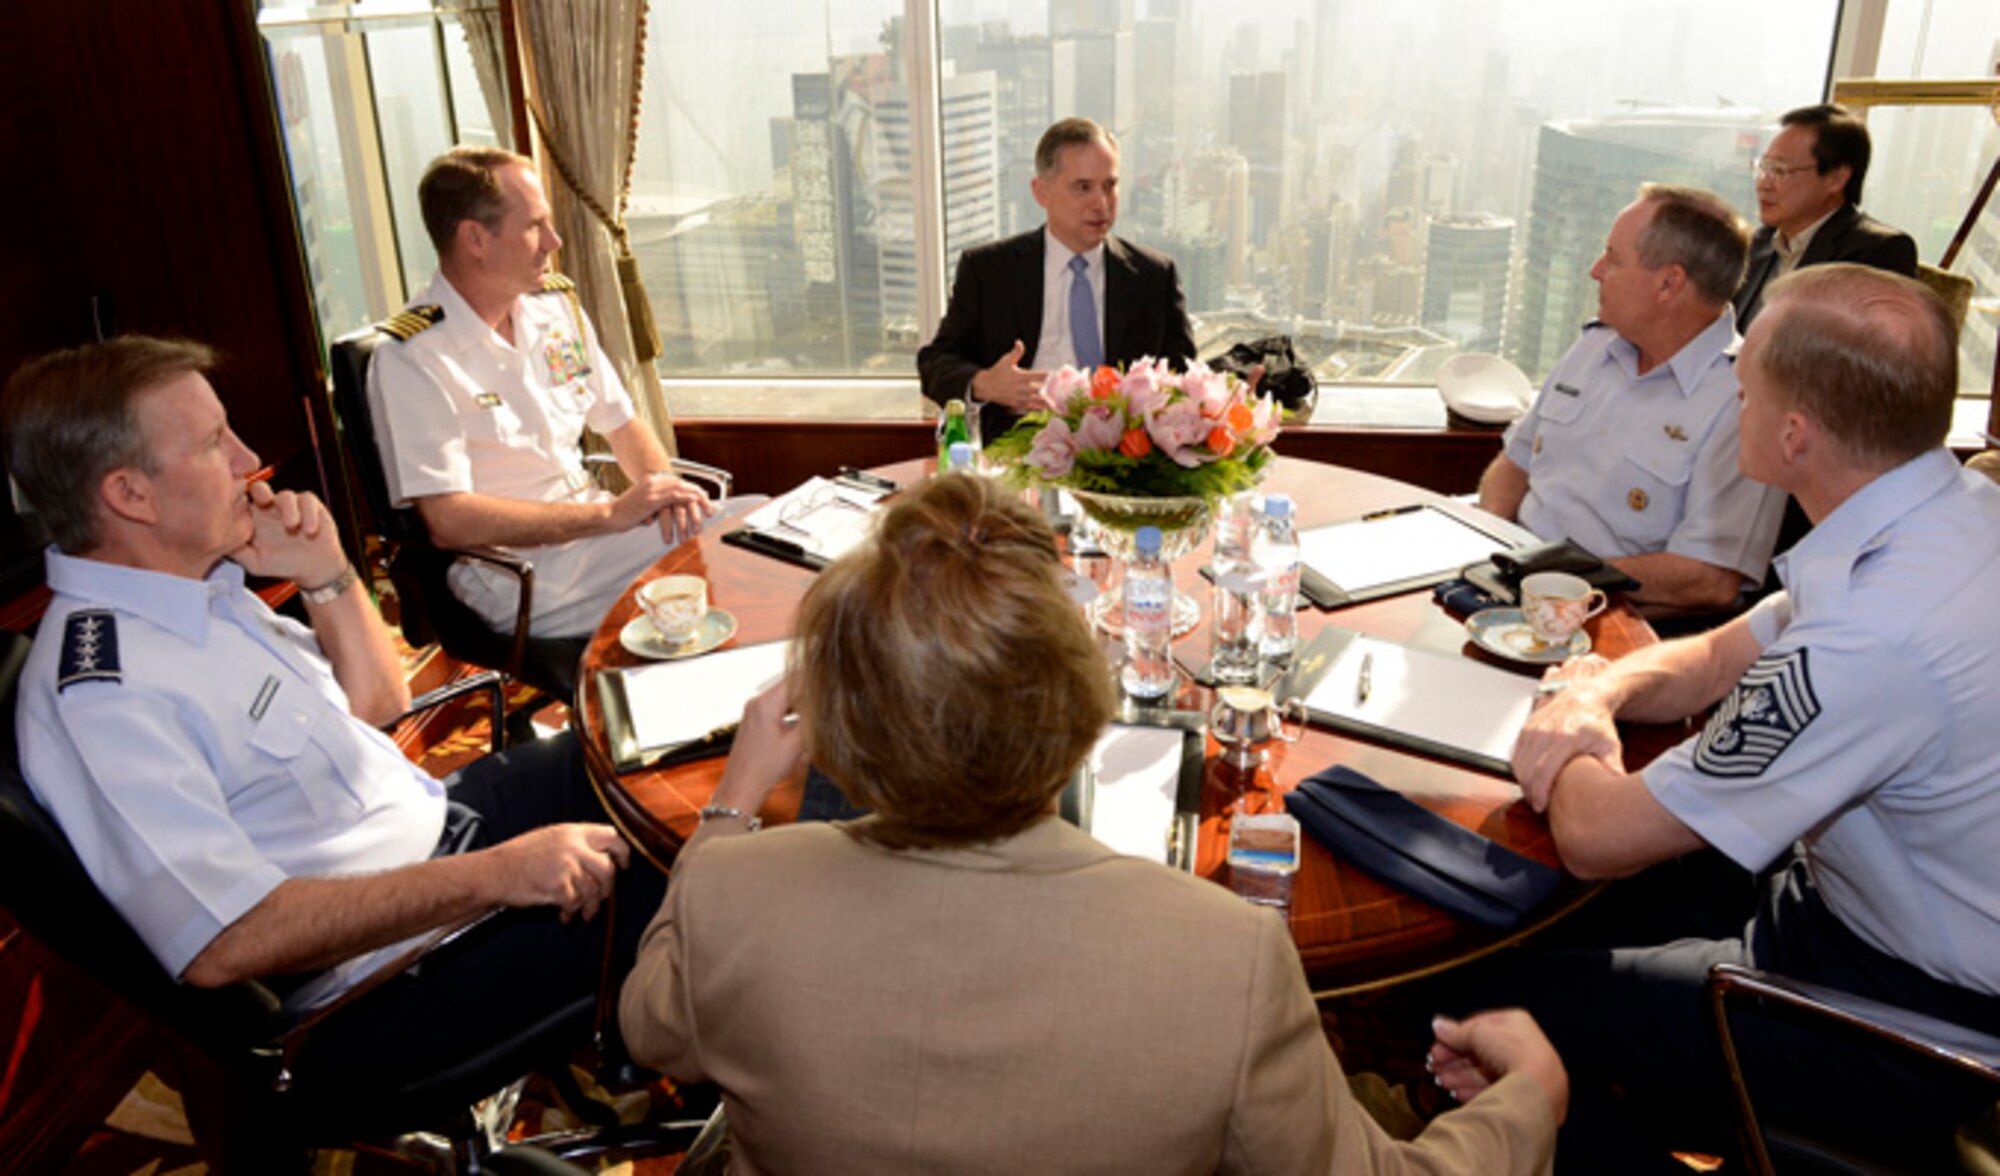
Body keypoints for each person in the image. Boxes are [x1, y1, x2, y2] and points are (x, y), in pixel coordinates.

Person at [619, 474, 1569, 1174]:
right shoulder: (1223, 957)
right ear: (1081, 708)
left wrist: (733, 804)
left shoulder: (734, 890)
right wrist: (1531, 1098)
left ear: (834, 720)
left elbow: (652, 1033)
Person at [2, 336, 663, 1102]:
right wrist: (499, 876)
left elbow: (379, 706)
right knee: (703, 876)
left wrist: (328, 573)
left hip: (440, 836)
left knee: (649, 752)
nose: (251, 460)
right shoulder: (106, 695)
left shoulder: (200, 586)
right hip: (391, 976)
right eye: (217, 443)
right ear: (131, 496)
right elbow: (226, 939)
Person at [1488, 265, 2000, 1169]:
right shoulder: (1945, 515)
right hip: (1843, 907)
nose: (1732, 398)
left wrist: (1565, 723)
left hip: (1903, 1010)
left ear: (1794, 435)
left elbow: (1594, 836)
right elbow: (1723, 653)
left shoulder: (1874, 639)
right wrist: (1600, 692)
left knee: (1502, 1005)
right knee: (1558, 920)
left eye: (1744, 387)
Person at [367, 145, 729, 650]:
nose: (553, 242)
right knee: (735, 551)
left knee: (754, 529)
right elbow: (448, 521)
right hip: (518, 576)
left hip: (597, 541)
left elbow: (622, 423)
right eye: (536, 226)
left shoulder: (554, 309)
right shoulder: (413, 357)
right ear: (475, 238)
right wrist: (609, 517)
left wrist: (664, 491)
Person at [1477, 184, 1786, 614]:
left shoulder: (1742, 401)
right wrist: (1487, 547)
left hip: (1606, 615)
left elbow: (1710, 578)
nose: (1596, 270)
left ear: (1668, 283)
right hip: (1508, 581)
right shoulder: (1595, 346)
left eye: (1613, 258)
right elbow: (1517, 462)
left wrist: (1556, 583)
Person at [917, 117, 1198, 442]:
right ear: (1042, 192)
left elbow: (1184, 379)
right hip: (1017, 450)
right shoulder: (989, 270)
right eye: (1083, 187)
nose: (1101, 203)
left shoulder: (1153, 276)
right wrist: (984, 383)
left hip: (1126, 461)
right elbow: (934, 363)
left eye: (1110, 185)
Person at [1732, 103, 1918, 331]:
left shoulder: (1878, 251)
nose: (1763, 183)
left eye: (1780, 170)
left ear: (1835, 179)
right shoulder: (1761, 242)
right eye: (1764, 167)